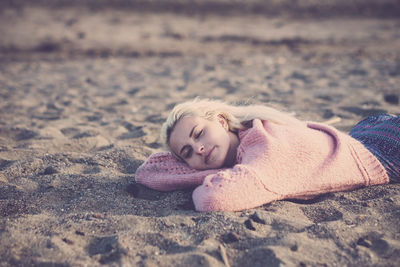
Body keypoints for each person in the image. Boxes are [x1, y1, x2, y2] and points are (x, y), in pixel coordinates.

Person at [135, 98, 399, 211]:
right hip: (365, 130)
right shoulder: (246, 141)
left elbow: (213, 199)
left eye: (199, 133)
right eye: (187, 152)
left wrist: (200, 173)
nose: (199, 148)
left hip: (386, 149)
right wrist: (194, 165)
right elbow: (148, 172)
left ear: (221, 121)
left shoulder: (265, 146)